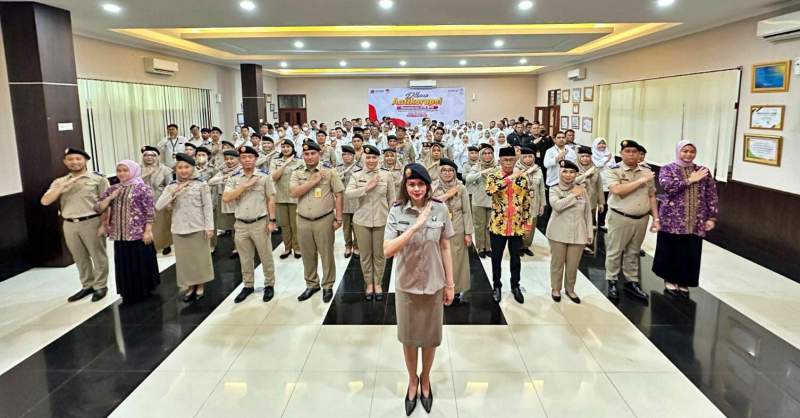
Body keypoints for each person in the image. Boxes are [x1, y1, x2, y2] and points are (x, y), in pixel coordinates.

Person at [383, 163, 455, 416]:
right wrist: (415, 225)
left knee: (431, 338)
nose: (416, 189)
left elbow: (445, 246)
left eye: (420, 184)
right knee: (410, 338)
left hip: (434, 283)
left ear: (427, 186)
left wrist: (450, 283)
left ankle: (426, 379)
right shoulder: (396, 211)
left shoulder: (440, 208)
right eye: (411, 184)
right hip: (406, 284)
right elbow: (388, 250)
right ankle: (412, 381)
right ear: (405, 186)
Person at [40, 148, 110, 302]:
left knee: (98, 256)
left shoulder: (98, 179)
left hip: (92, 221)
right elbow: (45, 201)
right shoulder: (60, 181)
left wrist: (104, 224)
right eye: (70, 159)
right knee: (79, 257)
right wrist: (62, 188)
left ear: (85, 160)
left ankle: (100, 286)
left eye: (78, 159)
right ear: (65, 162)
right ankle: (87, 285)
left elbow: (106, 203)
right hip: (70, 224)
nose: (74, 162)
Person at [653, 140, 719, 297]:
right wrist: (690, 180)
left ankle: (684, 281)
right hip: (671, 220)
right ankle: (669, 279)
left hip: (696, 221)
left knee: (690, 251)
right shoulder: (667, 169)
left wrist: (712, 217)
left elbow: (711, 195)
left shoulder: (703, 171)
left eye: (691, 151)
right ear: (678, 151)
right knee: (671, 249)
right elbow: (667, 187)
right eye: (685, 151)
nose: (688, 155)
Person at [95, 160, 160, 303]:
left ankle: (144, 289)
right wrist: (111, 197)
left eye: (125, 170)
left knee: (139, 262)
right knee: (124, 262)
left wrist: (148, 230)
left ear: (133, 171)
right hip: (120, 233)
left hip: (138, 233)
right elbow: (99, 207)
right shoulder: (113, 188)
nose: (122, 174)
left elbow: (150, 211)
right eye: (119, 171)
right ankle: (127, 290)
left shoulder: (142, 188)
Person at [604, 140, 659, 302]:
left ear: (639, 154)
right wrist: (641, 180)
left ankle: (632, 281)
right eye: (627, 151)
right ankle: (612, 279)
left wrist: (656, 218)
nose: (631, 154)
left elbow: (652, 195)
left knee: (634, 251)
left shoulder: (646, 171)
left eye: (634, 151)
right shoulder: (614, 170)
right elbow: (617, 190)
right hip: (620, 217)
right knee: (615, 251)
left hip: (641, 219)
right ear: (621, 153)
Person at [155, 153, 214, 302]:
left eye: (186, 167)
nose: (183, 170)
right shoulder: (171, 186)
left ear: (192, 168)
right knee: (184, 260)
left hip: (198, 226)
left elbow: (207, 207)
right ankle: (189, 286)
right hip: (179, 228)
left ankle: (200, 285)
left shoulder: (201, 184)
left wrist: (209, 227)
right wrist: (172, 194)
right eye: (180, 167)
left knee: (199, 258)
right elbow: (159, 206)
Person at [290, 141, 344, 303]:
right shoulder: (297, 172)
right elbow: (293, 193)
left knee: (326, 254)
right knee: (307, 254)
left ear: (319, 154)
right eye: (306, 154)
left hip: (324, 219)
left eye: (313, 153)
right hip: (303, 220)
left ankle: (327, 285)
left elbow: (339, 194)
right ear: (303, 155)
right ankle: (311, 284)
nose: (310, 157)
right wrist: (312, 182)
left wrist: (339, 218)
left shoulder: (329, 172)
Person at [223, 146, 278, 303]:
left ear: (255, 159)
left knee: (265, 255)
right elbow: (226, 198)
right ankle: (248, 285)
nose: (247, 159)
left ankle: (269, 284)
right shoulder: (234, 178)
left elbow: (270, 199)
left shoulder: (264, 177)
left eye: (250, 157)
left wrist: (272, 220)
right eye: (244, 157)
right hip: (240, 224)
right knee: (245, 257)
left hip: (260, 222)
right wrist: (244, 186)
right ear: (240, 160)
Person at [345, 145, 396, 301]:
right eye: (368, 158)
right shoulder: (356, 175)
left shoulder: (386, 176)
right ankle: (369, 283)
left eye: (374, 157)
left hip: (382, 219)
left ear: (378, 159)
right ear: (364, 159)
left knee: (380, 254)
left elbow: (392, 199)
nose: (371, 160)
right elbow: (348, 194)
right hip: (362, 220)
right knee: (366, 255)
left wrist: (393, 221)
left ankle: (378, 283)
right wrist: (366, 188)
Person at [486, 146, 532, 304]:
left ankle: (515, 286)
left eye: (511, 160)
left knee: (515, 259)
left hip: (517, 226)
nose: (508, 162)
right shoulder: (493, 176)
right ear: (499, 160)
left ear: (515, 160)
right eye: (505, 159)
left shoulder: (523, 178)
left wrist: (527, 224)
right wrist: (510, 178)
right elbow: (491, 190)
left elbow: (526, 202)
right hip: (498, 226)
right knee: (496, 259)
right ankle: (496, 286)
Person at [546, 160, 593, 304]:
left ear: (576, 174)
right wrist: (573, 195)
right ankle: (556, 288)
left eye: (572, 172)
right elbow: (557, 206)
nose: (568, 175)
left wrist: (590, 232)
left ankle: (570, 289)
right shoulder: (554, 189)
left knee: (573, 265)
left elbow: (587, 213)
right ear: (560, 172)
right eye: (565, 171)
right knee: (557, 263)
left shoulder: (582, 190)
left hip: (578, 232)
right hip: (558, 233)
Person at [432, 158, 473, 304]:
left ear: (455, 172)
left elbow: (467, 212)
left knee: (457, 261)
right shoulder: (433, 187)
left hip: (457, 228)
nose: (447, 173)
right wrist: (447, 195)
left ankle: (455, 290)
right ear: (439, 172)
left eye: (450, 170)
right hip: (438, 229)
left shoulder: (461, 188)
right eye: (444, 170)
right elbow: (430, 206)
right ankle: (440, 288)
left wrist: (468, 233)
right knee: (439, 260)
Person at [270, 139, 304, 259]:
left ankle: (297, 248)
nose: (285, 149)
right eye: (283, 147)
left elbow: (303, 177)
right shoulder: (275, 161)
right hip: (281, 197)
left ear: (292, 148)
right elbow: (273, 177)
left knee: (295, 225)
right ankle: (287, 247)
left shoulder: (300, 161)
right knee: (284, 225)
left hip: (295, 197)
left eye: (288, 146)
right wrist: (285, 164)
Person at [140, 145, 174, 256]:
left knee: (163, 224)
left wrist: (169, 201)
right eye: (146, 155)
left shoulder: (165, 170)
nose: (149, 157)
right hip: (143, 203)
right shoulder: (138, 170)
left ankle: (166, 244)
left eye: (152, 155)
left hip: (160, 200)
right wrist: (145, 175)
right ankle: (151, 246)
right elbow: (134, 184)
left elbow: (170, 187)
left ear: (157, 157)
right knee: (148, 226)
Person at [208, 150, 240, 256]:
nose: (229, 161)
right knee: (222, 223)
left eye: (232, 159)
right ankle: (213, 245)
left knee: (237, 225)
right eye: (226, 159)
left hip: (236, 199)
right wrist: (224, 177)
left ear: (238, 159)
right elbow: (211, 182)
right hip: (222, 199)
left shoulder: (241, 170)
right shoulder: (223, 170)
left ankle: (237, 247)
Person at [465, 143, 495, 258]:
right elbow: (468, 179)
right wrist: (481, 173)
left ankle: (488, 247)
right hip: (478, 200)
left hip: (492, 200)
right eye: (485, 154)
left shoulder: (497, 167)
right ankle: (480, 247)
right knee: (479, 225)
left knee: (489, 225)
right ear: (481, 155)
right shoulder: (476, 167)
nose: (487, 156)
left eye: (489, 153)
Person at [576, 145, 605, 254]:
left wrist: (601, 202)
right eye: (582, 156)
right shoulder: (573, 167)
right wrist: (586, 174)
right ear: (579, 157)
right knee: (578, 224)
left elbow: (599, 186)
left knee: (588, 224)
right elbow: (573, 181)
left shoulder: (595, 168)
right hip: (577, 202)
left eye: (587, 156)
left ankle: (584, 245)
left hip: (591, 202)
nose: (585, 158)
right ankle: (576, 244)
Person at [516, 147, 545, 257]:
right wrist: (527, 173)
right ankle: (517, 246)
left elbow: (541, 188)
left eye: (530, 157)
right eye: (525, 157)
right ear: (521, 157)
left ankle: (526, 246)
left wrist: (542, 204)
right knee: (520, 224)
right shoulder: (516, 169)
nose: (528, 159)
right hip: (520, 203)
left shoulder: (538, 169)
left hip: (534, 202)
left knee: (531, 225)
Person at [338, 145, 361, 258]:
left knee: (357, 226)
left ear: (353, 156)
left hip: (356, 202)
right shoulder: (338, 168)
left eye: (349, 154)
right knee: (346, 227)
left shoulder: (359, 168)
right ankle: (348, 246)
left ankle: (357, 246)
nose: (346, 156)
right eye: (344, 154)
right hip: (344, 202)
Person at [591, 137, 615, 231]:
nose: (602, 145)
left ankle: (601, 223)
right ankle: (592, 222)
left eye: (603, 143)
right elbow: (598, 165)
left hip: (606, 183)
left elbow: (613, 166)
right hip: (595, 182)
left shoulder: (609, 154)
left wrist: (608, 160)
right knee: (593, 203)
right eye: (599, 144)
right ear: (595, 145)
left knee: (604, 204)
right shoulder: (592, 155)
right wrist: (606, 160)